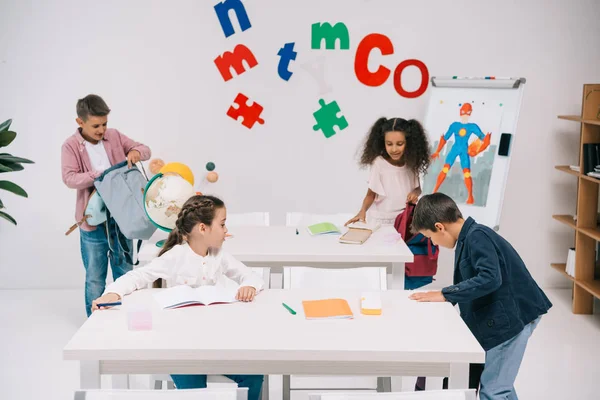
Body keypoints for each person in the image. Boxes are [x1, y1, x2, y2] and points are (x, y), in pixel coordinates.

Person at [92, 195, 265, 400]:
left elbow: (250, 276)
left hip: (216, 341)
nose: (226, 231)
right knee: (195, 393)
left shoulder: (219, 255)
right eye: (222, 224)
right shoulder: (176, 256)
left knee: (254, 375)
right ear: (203, 228)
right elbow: (138, 276)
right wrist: (113, 292)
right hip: (181, 347)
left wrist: (248, 286)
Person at [409, 193, 552, 399]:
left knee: (494, 390)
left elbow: (490, 278)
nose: (434, 243)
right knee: (500, 383)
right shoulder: (469, 238)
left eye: (431, 238)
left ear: (440, 227)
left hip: (512, 319)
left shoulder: (477, 236)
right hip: (505, 315)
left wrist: (446, 293)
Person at [61, 94, 151, 317]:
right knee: (95, 276)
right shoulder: (70, 146)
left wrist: (135, 152)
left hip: (123, 218)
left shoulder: (114, 136)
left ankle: (123, 320)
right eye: (95, 126)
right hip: (93, 222)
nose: (101, 130)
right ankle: (95, 325)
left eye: (104, 124)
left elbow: (144, 149)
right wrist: (99, 175)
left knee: (125, 274)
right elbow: (69, 178)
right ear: (80, 122)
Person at [346, 117, 431, 227]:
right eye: (389, 144)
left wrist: (415, 193)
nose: (394, 149)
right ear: (383, 143)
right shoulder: (379, 163)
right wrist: (362, 211)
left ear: (409, 143)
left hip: (405, 219)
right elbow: (370, 195)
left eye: (400, 144)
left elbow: (417, 188)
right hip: (382, 221)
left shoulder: (411, 163)